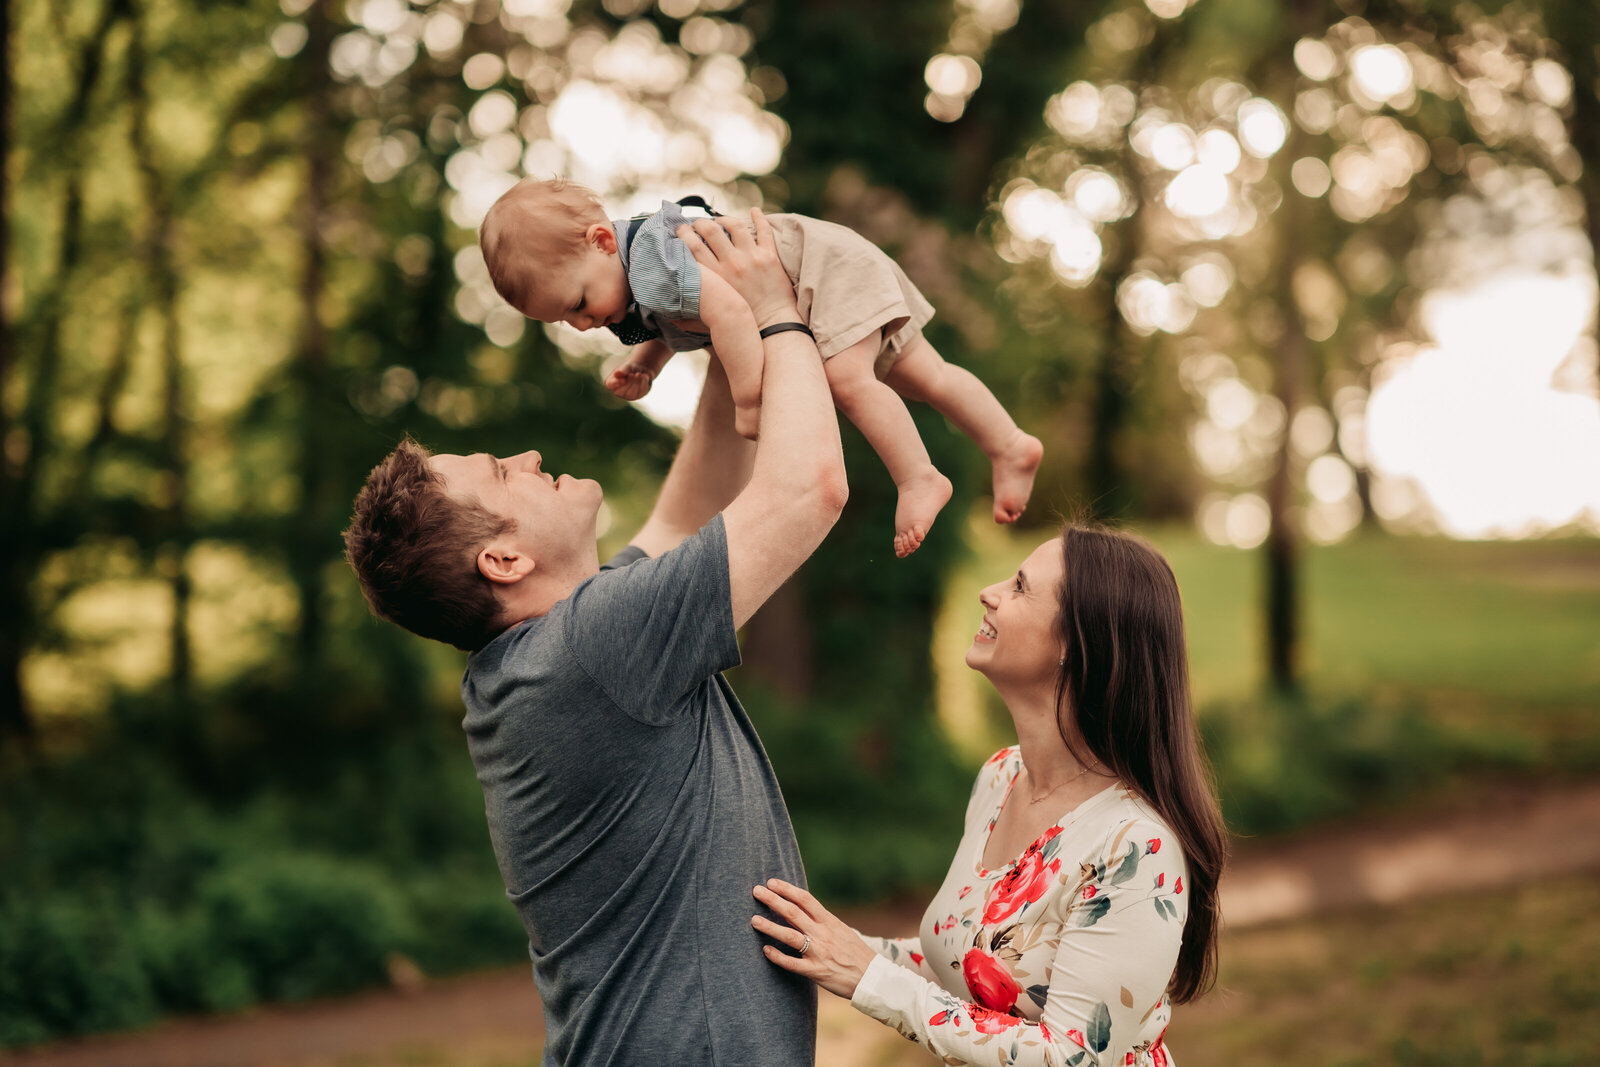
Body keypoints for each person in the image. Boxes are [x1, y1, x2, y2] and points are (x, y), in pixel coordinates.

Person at [343, 210, 846, 1066]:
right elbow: (809, 490)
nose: (532, 455)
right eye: (506, 473)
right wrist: (776, 309)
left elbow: (688, 511)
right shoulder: (592, 650)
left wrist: (715, 309)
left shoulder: (551, 653)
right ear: (502, 558)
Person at [745, 524, 1228, 1066]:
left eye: (1020, 587)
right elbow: (969, 957)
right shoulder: (1001, 777)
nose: (989, 592)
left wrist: (870, 979)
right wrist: (827, 943)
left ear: (1075, 643)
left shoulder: (1136, 847)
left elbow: (1070, 1058)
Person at [478, 178, 1044, 558]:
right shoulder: (631, 278)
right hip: (830, 262)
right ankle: (1009, 443)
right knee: (927, 374)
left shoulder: (653, 257)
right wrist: (646, 365)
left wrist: (750, 399)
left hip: (814, 272)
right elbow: (671, 324)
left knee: (850, 381)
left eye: (577, 305)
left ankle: (919, 477)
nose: (581, 325)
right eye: (564, 322)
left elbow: (725, 311)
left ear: (602, 241)